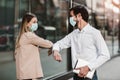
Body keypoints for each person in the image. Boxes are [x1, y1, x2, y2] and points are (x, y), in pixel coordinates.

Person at [52, 6, 110, 80]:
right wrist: (56, 51)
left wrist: (88, 68)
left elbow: (105, 55)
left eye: (71, 16)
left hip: (89, 76)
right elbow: (59, 44)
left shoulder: (95, 33)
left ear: (79, 16)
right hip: (76, 75)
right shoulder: (74, 34)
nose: (70, 19)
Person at [14, 13, 53, 80]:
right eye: (34, 22)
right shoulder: (29, 35)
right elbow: (45, 43)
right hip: (29, 75)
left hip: (23, 74)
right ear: (27, 24)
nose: (36, 24)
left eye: (37, 22)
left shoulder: (21, 36)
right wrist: (53, 46)